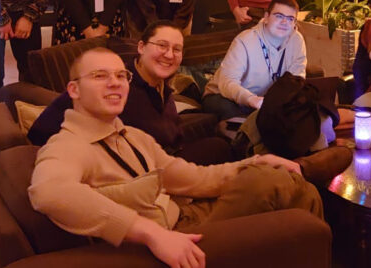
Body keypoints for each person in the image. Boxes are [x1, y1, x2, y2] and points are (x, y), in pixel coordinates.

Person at [28, 47, 323, 268]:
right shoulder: (67, 144)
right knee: (274, 183)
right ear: (74, 90)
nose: (115, 83)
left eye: (121, 75)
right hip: (178, 235)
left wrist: (257, 161)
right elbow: (49, 192)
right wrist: (150, 234)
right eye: (100, 76)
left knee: (284, 177)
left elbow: (195, 179)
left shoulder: (133, 136)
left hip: (191, 212)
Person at [29, 21, 232, 166]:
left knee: (222, 145)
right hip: (141, 172)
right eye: (162, 45)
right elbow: (43, 129)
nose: (169, 55)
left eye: (177, 49)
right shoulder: (117, 86)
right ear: (141, 47)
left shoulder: (163, 87)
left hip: (165, 159)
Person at [202, 0, 307, 121]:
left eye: (290, 19)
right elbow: (227, 83)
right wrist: (252, 100)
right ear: (266, 17)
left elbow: (296, 80)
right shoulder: (245, 40)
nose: (285, 22)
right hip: (224, 96)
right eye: (279, 16)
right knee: (232, 113)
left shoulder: (297, 40)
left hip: (265, 101)